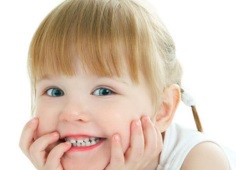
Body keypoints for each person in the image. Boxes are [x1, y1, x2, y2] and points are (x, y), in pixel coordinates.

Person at [19, 0, 234, 169]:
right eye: (55, 91)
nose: (71, 113)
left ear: (162, 111)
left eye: (103, 91)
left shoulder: (202, 159)